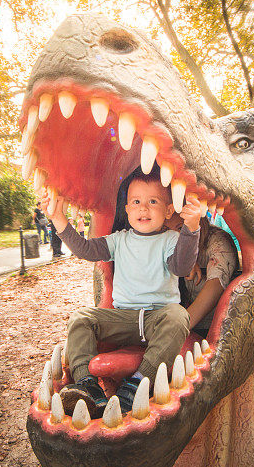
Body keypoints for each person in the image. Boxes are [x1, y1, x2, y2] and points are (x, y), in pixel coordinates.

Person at [43, 165, 202, 418]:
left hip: (157, 318)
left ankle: (138, 383)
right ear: (127, 209)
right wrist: (58, 219)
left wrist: (191, 228)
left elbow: (182, 267)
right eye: (136, 201)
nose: (143, 208)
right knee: (81, 319)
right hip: (123, 318)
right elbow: (85, 249)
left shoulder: (171, 239)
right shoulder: (119, 240)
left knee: (178, 316)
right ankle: (86, 386)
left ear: (169, 210)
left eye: (153, 201)